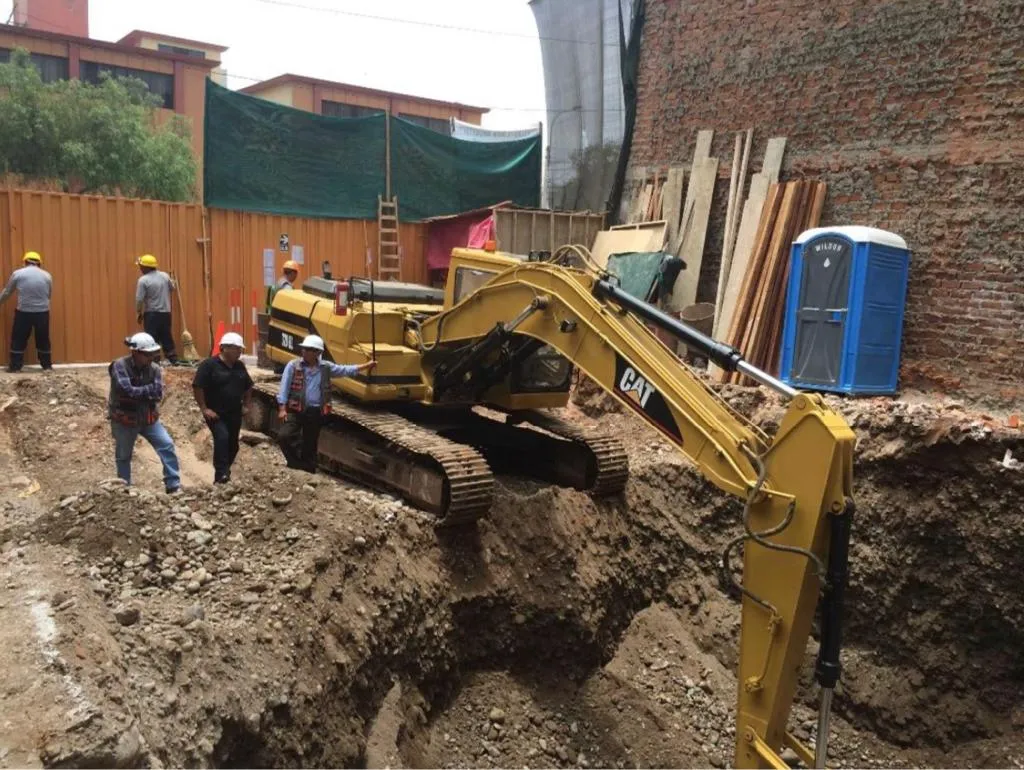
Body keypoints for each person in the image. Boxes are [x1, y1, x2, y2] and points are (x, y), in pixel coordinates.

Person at [276, 334, 375, 471]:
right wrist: (282, 408)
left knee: (310, 443)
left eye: (308, 349)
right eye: (304, 348)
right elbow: (284, 387)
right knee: (284, 436)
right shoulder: (293, 366)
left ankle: (308, 469)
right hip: (296, 409)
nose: (304, 351)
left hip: (315, 412)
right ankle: (296, 463)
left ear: (317, 353)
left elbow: (344, 370)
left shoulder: (325, 368)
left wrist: (366, 366)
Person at [108, 332, 181, 494]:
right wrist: (147, 391)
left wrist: (138, 392)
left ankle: (173, 485)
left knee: (166, 445)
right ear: (135, 352)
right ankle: (124, 489)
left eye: (152, 354)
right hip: (125, 420)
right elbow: (125, 391)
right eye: (147, 354)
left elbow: (158, 394)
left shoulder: (154, 369)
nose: (151, 358)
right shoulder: (119, 366)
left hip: (148, 419)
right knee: (123, 455)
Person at [192, 332, 254, 484]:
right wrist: (204, 408)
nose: (239, 352)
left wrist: (246, 405)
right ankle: (221, 475)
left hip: (234, 413)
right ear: (224, 348)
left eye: (240, 349)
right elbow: (198, 386)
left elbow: (248, 386)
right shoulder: (209, 365)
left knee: (233, 445)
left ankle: (224, 471)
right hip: (216, 414)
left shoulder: (239, 366)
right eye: (236, 349)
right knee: (222, 438)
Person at [0, 251, 53, 372]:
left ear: (25, 262)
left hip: (23, 312)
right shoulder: (47, 276)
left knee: (19, 338)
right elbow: (49, 294)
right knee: (43, 338)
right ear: (39, 263)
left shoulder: (18, 274)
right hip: (42, 312)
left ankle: (15, 366)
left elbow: (7, 292)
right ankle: (47, 366)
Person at [135, 254, 178, 365]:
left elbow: (139, 299)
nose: (140, 268)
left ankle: (154, 360)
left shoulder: (143, 280)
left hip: (151, 314)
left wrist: (139, 312)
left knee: (152, 337)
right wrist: (173, 281)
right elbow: (173, 287)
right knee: (166, 335)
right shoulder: (165, 276)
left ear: (146, 267)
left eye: (141, 266)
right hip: (166, 313)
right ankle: (172, 358)